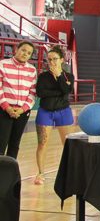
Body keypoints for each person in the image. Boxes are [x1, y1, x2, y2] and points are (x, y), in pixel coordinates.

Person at [33, 45, 74, 185]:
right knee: (42, 143)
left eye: (55, 59)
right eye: (49, 59)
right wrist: (60, 92)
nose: (51, 62)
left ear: (62, 60)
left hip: (64, 112)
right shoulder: (43, 76)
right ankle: (40, 173)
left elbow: (67, 90)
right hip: (45, 112)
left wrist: (58, 77)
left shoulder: (68, 76)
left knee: (67, 144)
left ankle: (69, 173)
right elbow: (41, 93)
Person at [0, 41, 37, 159]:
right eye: (23, 50)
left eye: (29, 53)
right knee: (1, 144)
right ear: (16, 49)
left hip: (22, 112)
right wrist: (7, 108)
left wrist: (22, 109)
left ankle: (10, 175)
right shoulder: (2, 64)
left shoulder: (32, 70)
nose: (25, 54)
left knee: (14, 145)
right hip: (3, 111)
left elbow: (32, 93)